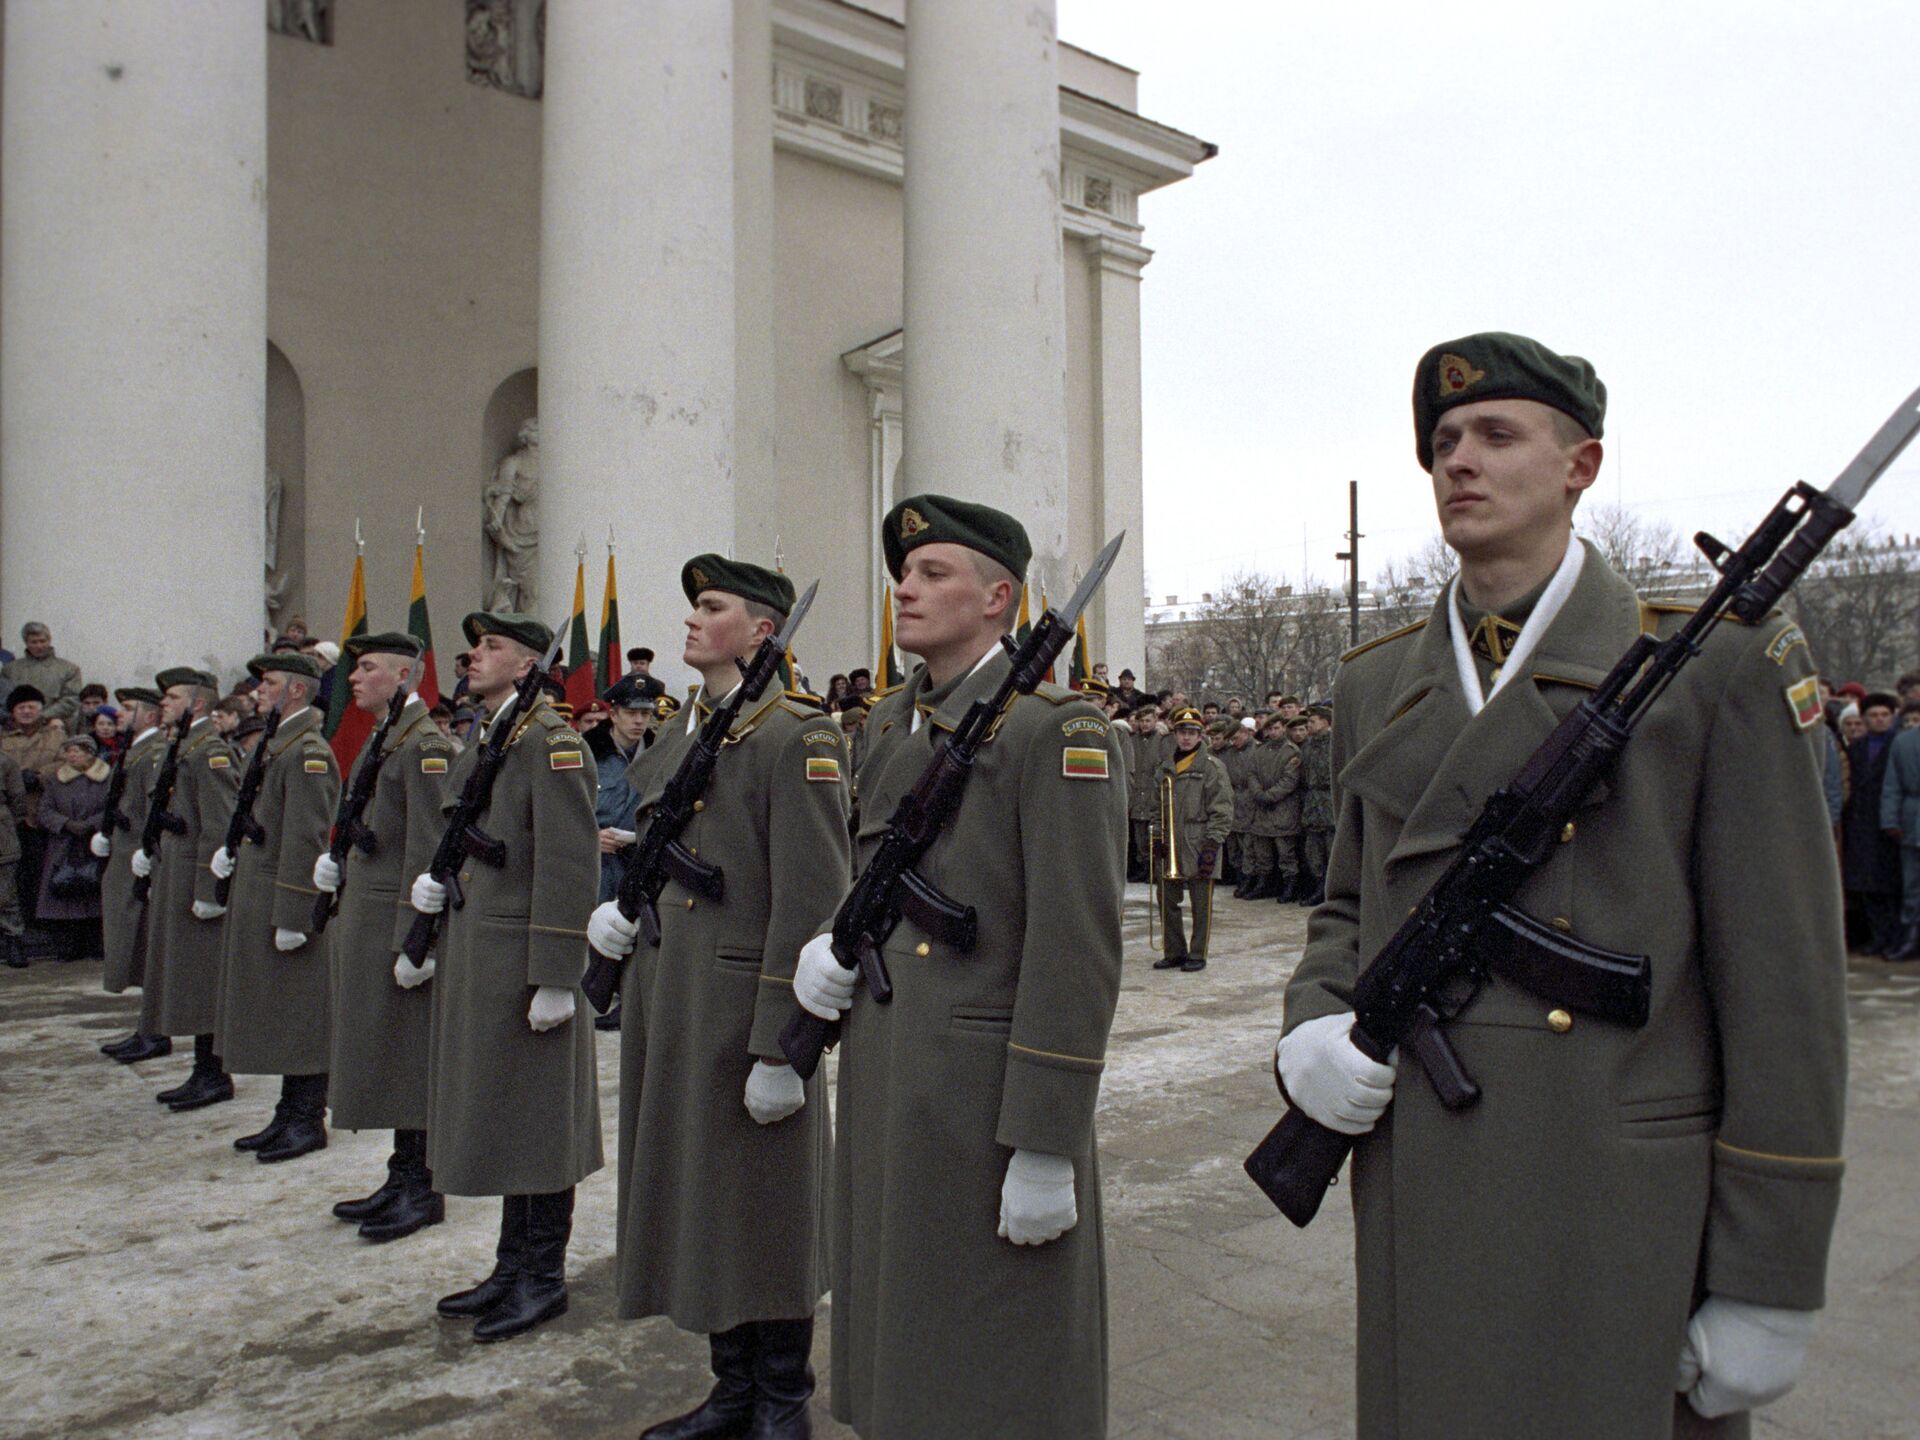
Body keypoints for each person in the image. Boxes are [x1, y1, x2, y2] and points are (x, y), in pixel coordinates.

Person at [1279, 332, 1846, 1437]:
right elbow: (1346, 906)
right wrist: (1314, 1023)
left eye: (1497, 435)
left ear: (1582, 466)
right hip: (1428, 1177)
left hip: (1616, 1199)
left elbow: (1784, 992)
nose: (1459, 463)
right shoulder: (1379, 681)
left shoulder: (1715, 669)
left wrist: (1770, 1274)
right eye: (1443, 442)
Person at [792, 494, 1126, 1439]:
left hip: (983, 1092)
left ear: (998, 599)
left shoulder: (1054, 731)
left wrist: (1048, 1137)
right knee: (902, 1324)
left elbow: (1078, 945)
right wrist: (833, 940)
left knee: (999, 1344)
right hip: (891, 1070)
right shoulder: (892, 719)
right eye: (905, 571)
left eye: (935, 572)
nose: (907, 587)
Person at [589, 556, 850, 1440]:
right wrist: (623, 920)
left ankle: (782, 1400)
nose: (692, 623)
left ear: (764, 629)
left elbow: (813, 902)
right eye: (692, 606)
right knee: (705, 1198)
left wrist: (783, 1045)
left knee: (763, 1205)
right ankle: (731, 1389)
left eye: (713, 608)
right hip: (675, 996)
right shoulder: (682, 728)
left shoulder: (794, 736)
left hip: (745, 1010)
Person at [408, 612, 601, 1342]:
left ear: (527, 666)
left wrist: (558, 971)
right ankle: (510, 1266)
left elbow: (567, 860)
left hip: (524, 962)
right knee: (508, 1112)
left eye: (491, 648)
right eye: (474, 647)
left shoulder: (550, 743)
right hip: (484, 954)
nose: (472, 657)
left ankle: (542, 1278)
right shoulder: (494, 735)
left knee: (539, 1120)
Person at [315, 633, 455, 1239]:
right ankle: (401, 1174)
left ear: (403, 675)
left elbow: (428, 849)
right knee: (390, 1054)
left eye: (367, 668)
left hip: (398, 925)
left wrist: (415, 940)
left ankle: (422, 1187)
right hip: (370, 919)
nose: (354, 677)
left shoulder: (423, 745)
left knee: (408, 1056)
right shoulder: (386, 737)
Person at [211, 653, 340, 1163]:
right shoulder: (276, 744)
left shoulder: (306, 751)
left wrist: (295, 913)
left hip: (288, 900)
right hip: (264, 892)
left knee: (303, 1013)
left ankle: (307, 1119)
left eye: (267, 684)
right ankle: (289, 1113)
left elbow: (307, 837)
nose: (257, 691)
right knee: (287, 1011)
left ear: (295, 692)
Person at [143, 668, 240, 1112]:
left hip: (194, 879)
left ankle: (213, 1073)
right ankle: (203, 1070)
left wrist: (208, 887)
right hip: (175, 872)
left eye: (174, 696)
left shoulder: (209, 753)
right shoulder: (186, 746)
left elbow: (219, 825)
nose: (165, 702)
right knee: (188, 975)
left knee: (202, 979)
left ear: (198, 704)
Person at [96, 687, 170, 1061]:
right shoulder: (135, 750)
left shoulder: (153, 752)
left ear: (151, 715)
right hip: (125, 857)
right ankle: (147, 1027)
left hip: (139, 862)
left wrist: (150, 856)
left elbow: (155, 811)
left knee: (145, 946)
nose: (120, 715)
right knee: (136, 947)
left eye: (128, 708)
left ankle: (154, 1031)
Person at [1151, 707, 1232, 972]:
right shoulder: (1165, 767)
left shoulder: (1211, 767)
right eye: (1182, 732)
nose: (1186, 738)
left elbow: (1222, 809)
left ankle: (1198, 953)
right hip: (1171, 840)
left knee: (1200, 903)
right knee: (1167, 899)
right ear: (1175, 735)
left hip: (1199, 840)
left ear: (1200, 736)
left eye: (1192, 733)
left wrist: (1212, 844)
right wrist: (1157, 837)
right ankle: (1174, 950)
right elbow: (1156, 806)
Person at [34, 733, 110, 959]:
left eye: (78, 750)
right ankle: (70, 947)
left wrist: (91, 824)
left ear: (90, 753)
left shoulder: (107, 777)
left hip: (95, 842)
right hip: (64, 843)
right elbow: (44, 810)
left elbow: (114, 805)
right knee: (66, 894)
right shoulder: (57, 779)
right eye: (69, 751)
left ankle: (96, 945)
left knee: (95, 891)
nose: (72, 755)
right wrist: (66, 823)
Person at [1842, 692, 1903, 955]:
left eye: (1884, 715)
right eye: (1874, 716)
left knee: (1891, 886)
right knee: (1868, 887)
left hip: (1890, 824)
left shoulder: (1900, 745)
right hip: (1861, 824)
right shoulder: (1856, 748)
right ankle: (1878, 937)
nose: (1879, 720)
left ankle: (1894, 938)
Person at [1240, 713, 1303, 901]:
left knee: (1286, 852)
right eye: (1270, 729)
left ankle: (1290, 886)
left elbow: (1290, 780)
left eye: (1277, 728)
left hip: (1283, 808)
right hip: (1261, 808)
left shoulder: (1292, 751)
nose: (1273, 732)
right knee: (1262, 851)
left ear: (1284, 728)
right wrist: (1258, 793)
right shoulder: (1260, 751)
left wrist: (1269, 796)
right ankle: (1263, 884)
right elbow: (1251, 774)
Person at [1879, 702, 1920, 961]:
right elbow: (1892, 783)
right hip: (1912, 817)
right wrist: (1890, 819)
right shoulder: (1903, 743)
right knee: (1912, 883)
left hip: (1910, 815)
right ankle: (1911, 936)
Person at [2, 623, 84, 727]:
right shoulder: (10, 670)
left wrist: (43, 716)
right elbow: (4, 699)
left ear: (49, 640)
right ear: (26, 643)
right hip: (16, 728)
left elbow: (71, 699)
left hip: (53, 726)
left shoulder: (69, 669)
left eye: (42, 641)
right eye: (34, 642)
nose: (39, 646)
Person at [1297, 703, 1335, 906]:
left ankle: (1330, 891)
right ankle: (1318, 886)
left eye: (1312, 721)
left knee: (1332, 850)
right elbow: (1303, 776)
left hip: (1330, 803)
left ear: (1325, 722)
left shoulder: (1336, 744)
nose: (1309, 724)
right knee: (1313, 851)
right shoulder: (1308, 746)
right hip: (1312, 803)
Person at [1124, 703, 1163, 882]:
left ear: (1155, 721)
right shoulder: (1132, 741)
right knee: (1139, 838)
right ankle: (1144, 867)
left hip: (1154, 796)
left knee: (1154, 836)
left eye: (1148, 720)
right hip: (1137, 796)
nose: (1145, 724)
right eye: (1142, 721)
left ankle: (1155, 869)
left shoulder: (1162, 741)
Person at [0, 735, 25, 968]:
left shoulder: (6, 763)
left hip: (2, 833)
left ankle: (14, 940)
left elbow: (18, 800)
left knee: (6, 894)